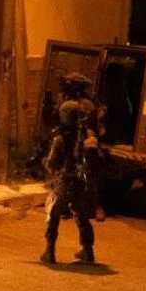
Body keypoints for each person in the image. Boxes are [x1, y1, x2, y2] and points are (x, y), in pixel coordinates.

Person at [41, 73, 100, 264]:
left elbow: (52, 164)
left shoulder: (61, 138)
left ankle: (49, 251)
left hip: (64, 181)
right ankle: (88, 250)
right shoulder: (85, 134)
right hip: (81, 182)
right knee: (81, 216)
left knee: (52, 213)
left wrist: (44, 163)